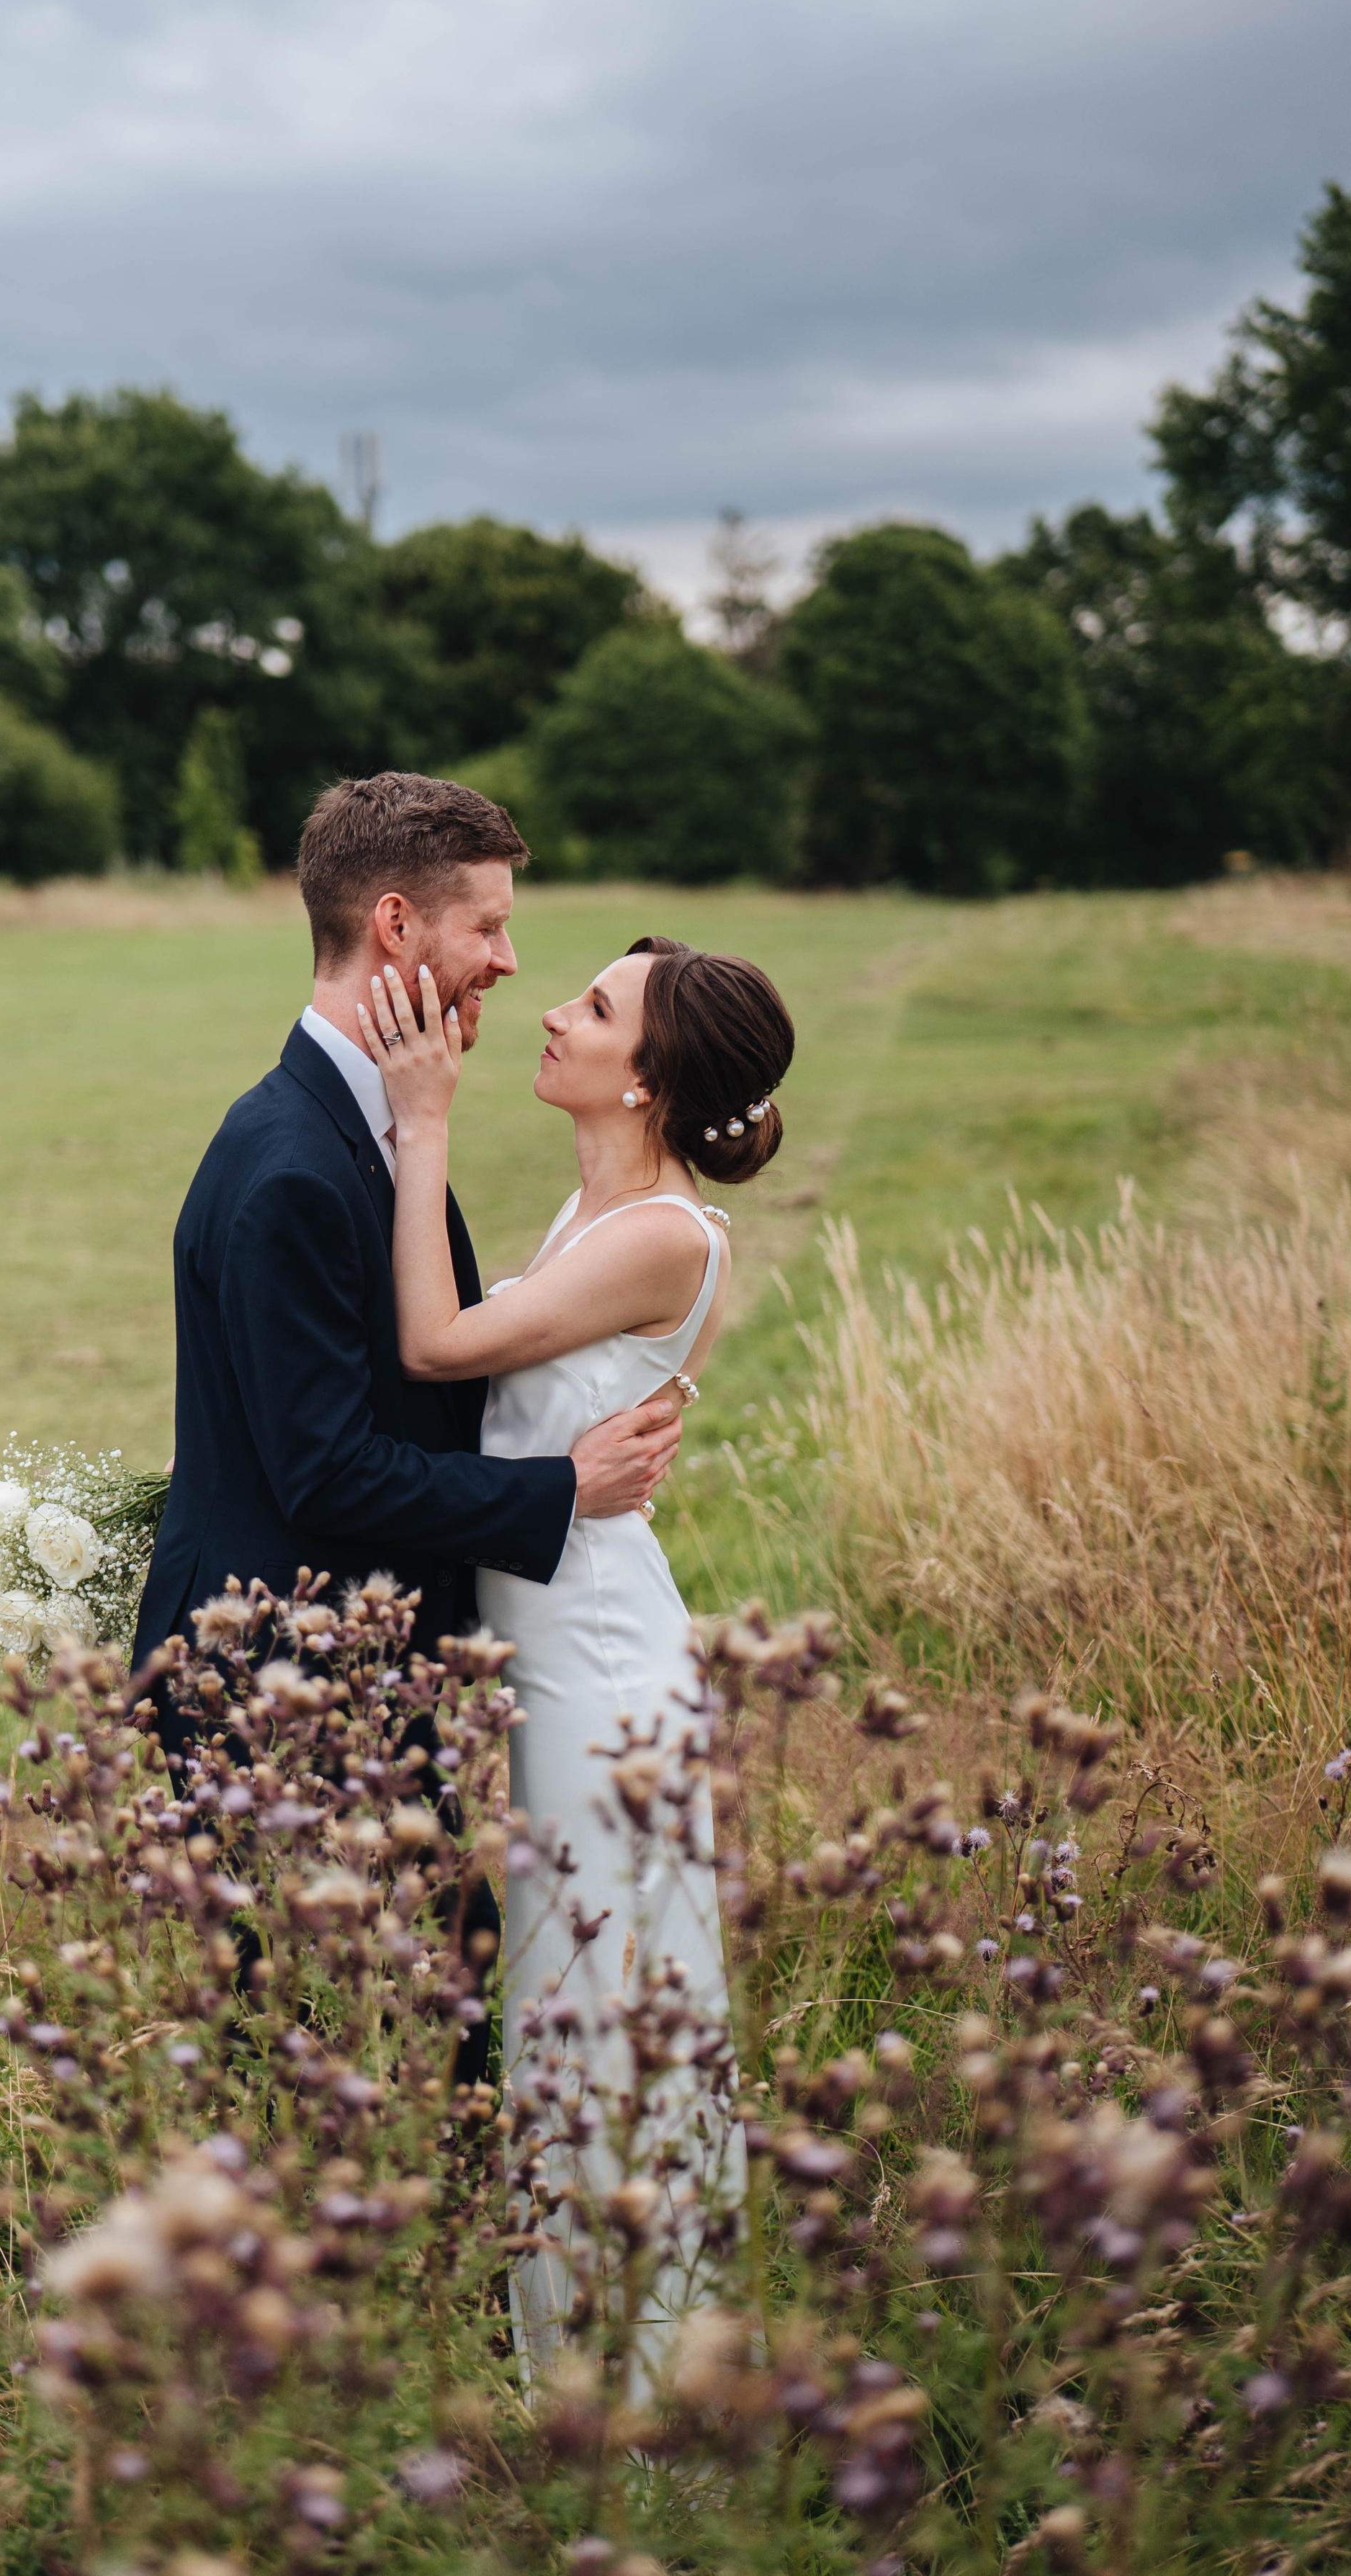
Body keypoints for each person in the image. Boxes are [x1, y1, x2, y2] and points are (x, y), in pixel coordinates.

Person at [132, 776, 688, 2084]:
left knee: (420, 2074)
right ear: (398, 925)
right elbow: (326, 1470)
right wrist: (560, 1492)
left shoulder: (368, 1129)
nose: (507, 960)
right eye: (487, 927)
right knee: (397, 2089)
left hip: (347, 1689)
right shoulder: (291, 1169)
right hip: (278, 1700)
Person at [356, 929, 796, 2379]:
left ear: (650, 1079)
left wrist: (420, 1119)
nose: (552, 1009)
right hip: (549, 1654)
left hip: (602, 1674)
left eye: (595, 1008)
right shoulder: (595, 1207)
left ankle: (634, 2394)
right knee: (562, 2006)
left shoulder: (666, 1234)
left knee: (603, 2012)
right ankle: (581, 2376)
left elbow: (434, 1344)